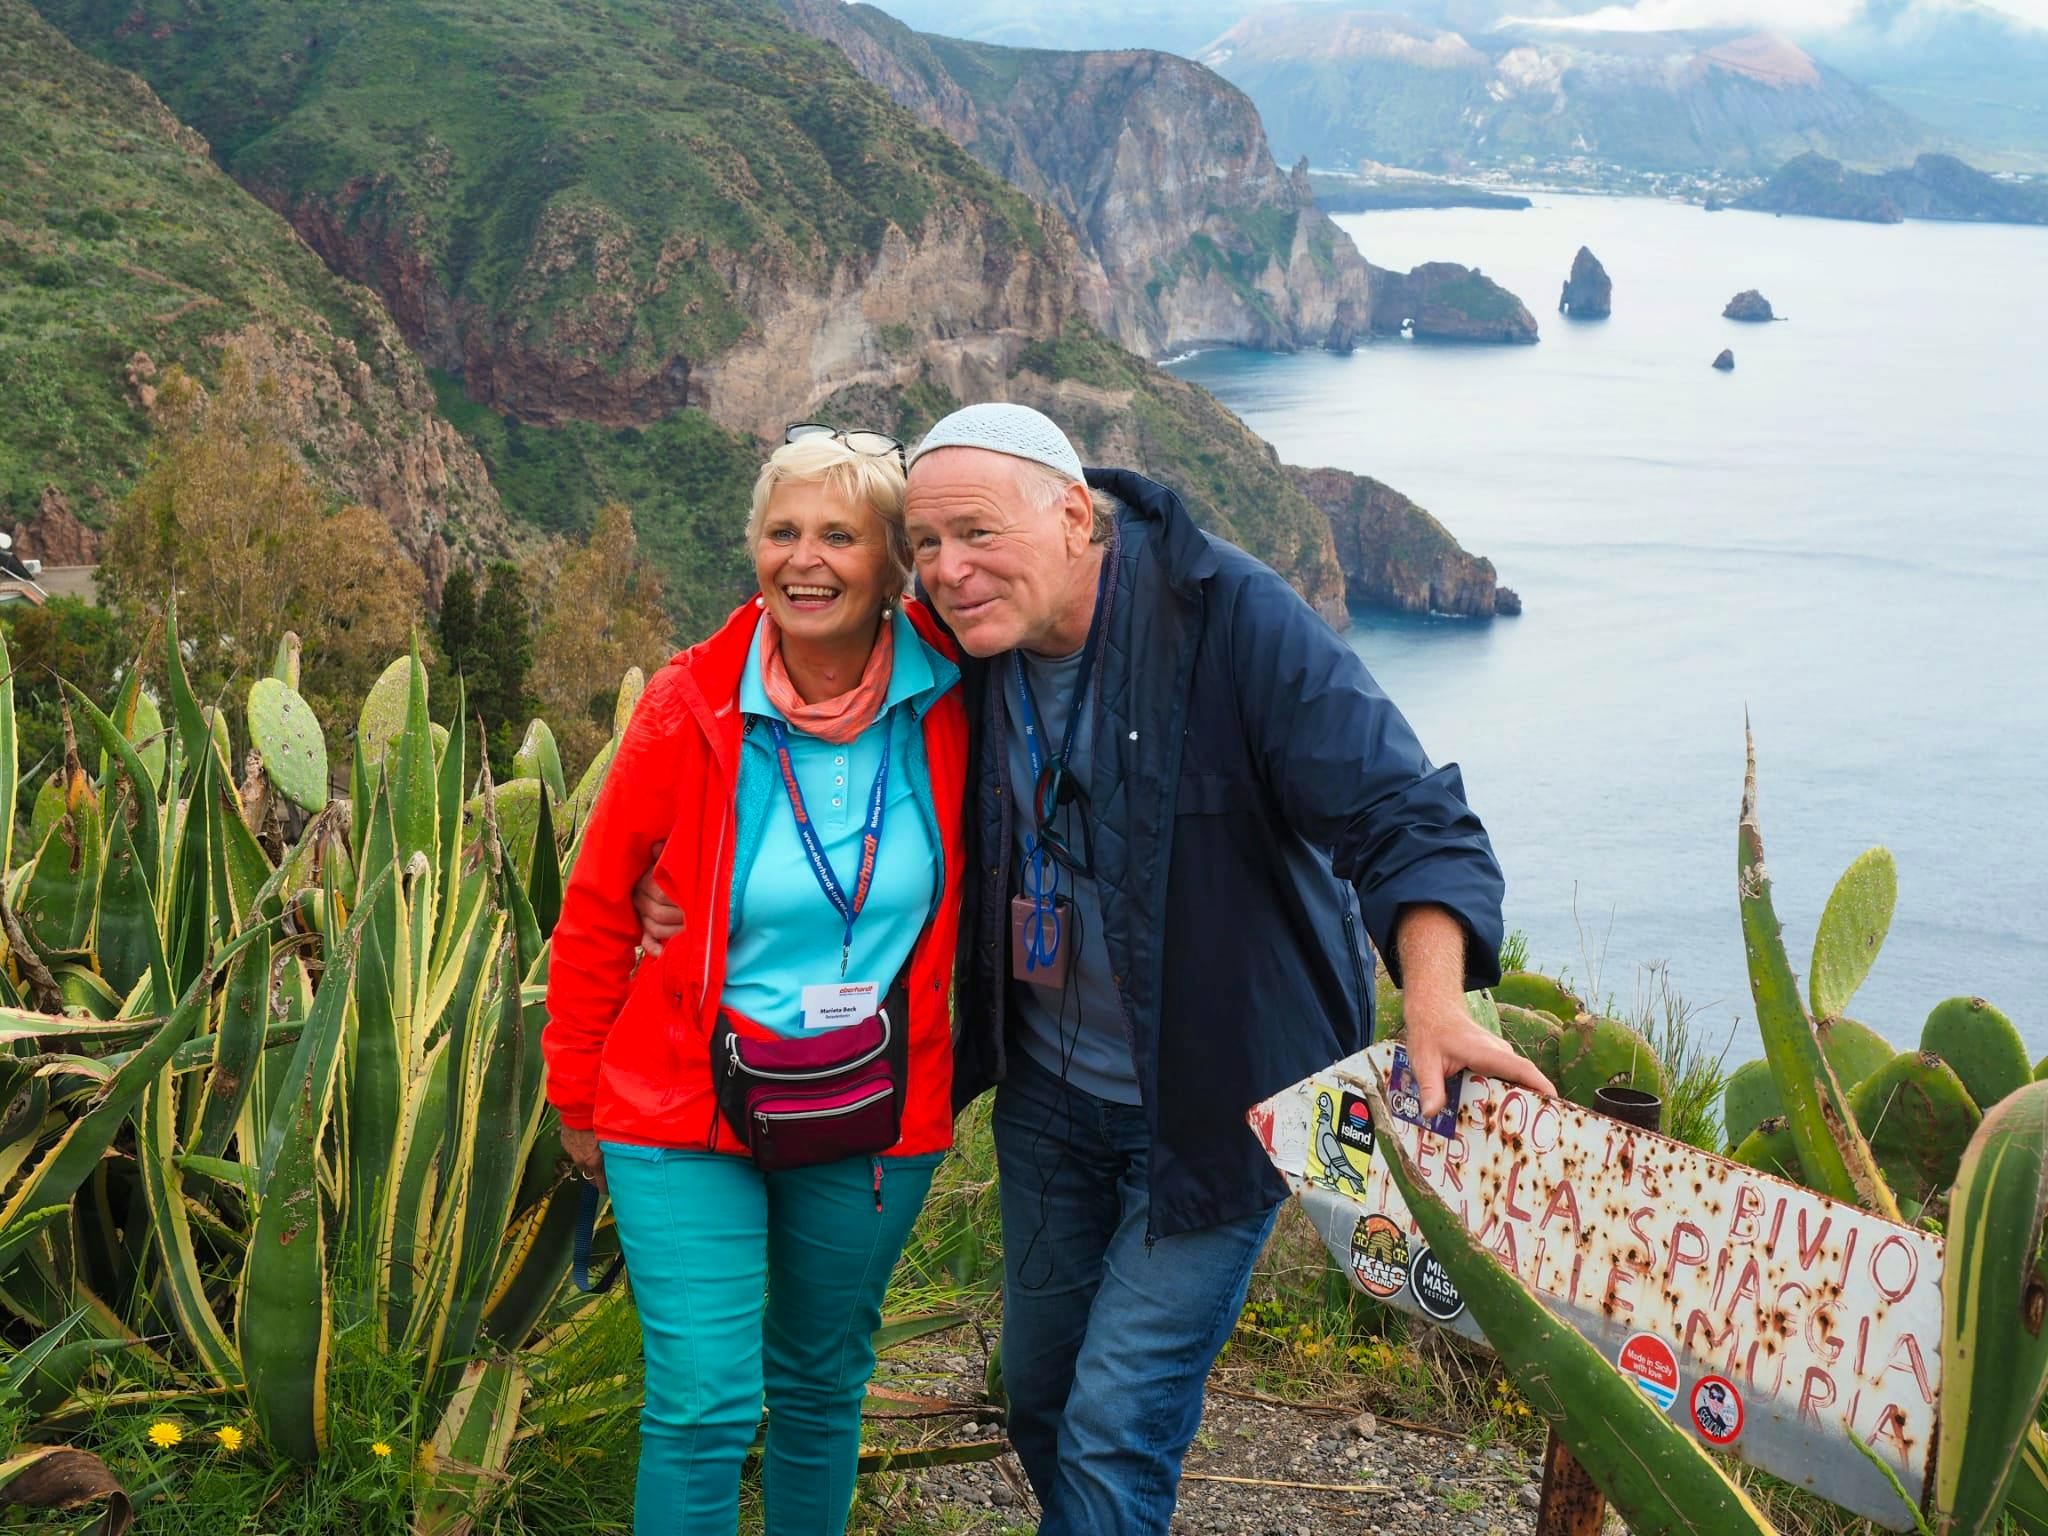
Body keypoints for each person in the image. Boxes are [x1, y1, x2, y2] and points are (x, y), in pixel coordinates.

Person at [635, 403, 1552, 1535]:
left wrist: (1432, 1001)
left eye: (974, 534)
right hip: (1048, 1104)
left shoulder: (1230, 620)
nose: (947, 571)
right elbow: (801, 690)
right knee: (1041, 1399)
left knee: (1116, 1425)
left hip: (1217, 1107)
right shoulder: (952, 646)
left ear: (1075, 514)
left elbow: (1400, 810)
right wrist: (668, 874)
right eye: (924, 546)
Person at [542, 425, 969, 1536]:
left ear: (892, 566)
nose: (804, 559)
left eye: (839, 534)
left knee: (824, 1388)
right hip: (680, 1097)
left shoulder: (957, 698)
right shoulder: (688, 704)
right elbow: (594, 912)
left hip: (874, 1104)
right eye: (782, 533)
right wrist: (574, 1096)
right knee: (702, 1404)